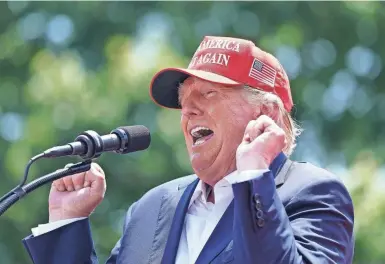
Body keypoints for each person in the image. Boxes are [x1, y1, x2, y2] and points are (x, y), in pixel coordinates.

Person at [22, 36, 355, 264]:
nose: (188, 111)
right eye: (184, 101)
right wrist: (66, 223)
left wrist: (254, 173)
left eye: (209, 94)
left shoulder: (313, 193)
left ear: (264, 113)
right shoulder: (151, 207)